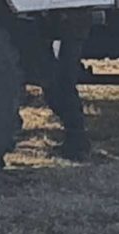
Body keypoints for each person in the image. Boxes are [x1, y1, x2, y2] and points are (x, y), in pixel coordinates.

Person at [24, 12, 95, 160]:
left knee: (63, 83)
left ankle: (77, 143)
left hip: (69, 23)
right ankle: (76, 140)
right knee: (58, 84)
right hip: (64, 24)